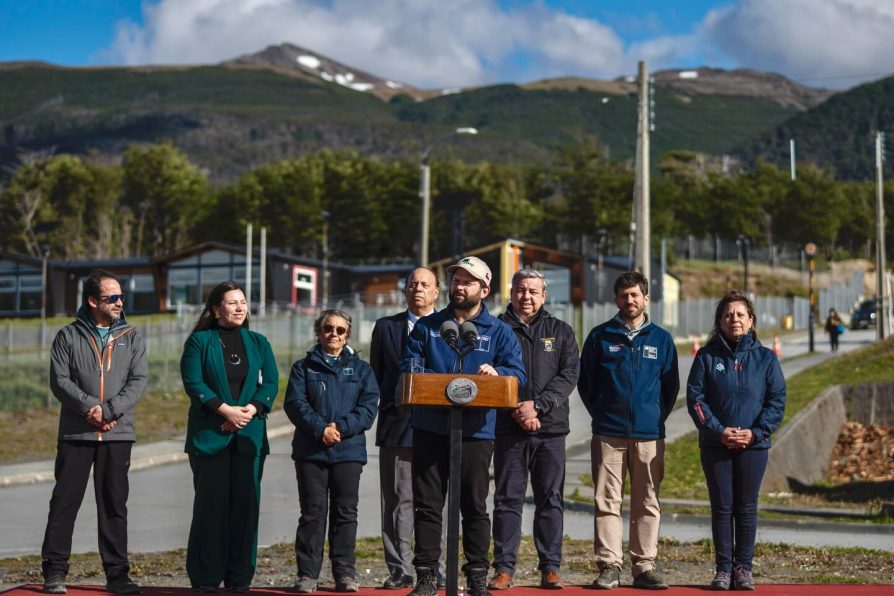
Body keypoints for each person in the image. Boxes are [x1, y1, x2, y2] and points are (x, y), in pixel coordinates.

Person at [403, 256, 526, 596]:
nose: (459, 286)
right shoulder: (429, 327)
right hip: (430, 428)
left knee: (474, 505)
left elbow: (518, 375)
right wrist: (434, 380)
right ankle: (427, 575)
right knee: (427, 505)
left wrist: (498, 375)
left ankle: (475, 575)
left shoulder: (499, 332)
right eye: (456, 280)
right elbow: (410, 368)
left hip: (476, 432)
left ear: (484, 289)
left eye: (467, 281)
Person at [41, 269, 148, 595]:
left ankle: (118, 576)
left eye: (120, 296)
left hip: (118, 435)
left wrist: (110, 410)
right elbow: (60, 382)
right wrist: (92, 409)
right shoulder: (67, 336)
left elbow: (138, 380)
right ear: (92, 301)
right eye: (111, 297)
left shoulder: (132, 336)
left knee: (115, 506)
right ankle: (54, 573)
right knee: (64, 503)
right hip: (77, 434)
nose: (119, 302)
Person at [577, 271, 679, 591]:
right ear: (616, 299)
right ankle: (609, 565)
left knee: (646, 501)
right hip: (609, 433)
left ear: (646, 298)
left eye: (635, 295)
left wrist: (653, 418)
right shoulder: (600, 336)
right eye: (623, 295)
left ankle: (644, 566)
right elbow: (586, 384)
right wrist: (604, 413)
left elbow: (670, 387)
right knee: (607, 500)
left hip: (649, 434)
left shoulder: (662, 339)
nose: (629, 300)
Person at [180, 281, 280, 592]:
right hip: (210, 437)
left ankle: (239, 577)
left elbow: (272, 383)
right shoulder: (200, 342)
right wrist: (226, 411)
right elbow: (194, 382)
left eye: (243, 302)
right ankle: (207, 576)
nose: (239, 307)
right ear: (215, 309)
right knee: (211, 508)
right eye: (232, 302)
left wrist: (248, 410)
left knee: (245, 508)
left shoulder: (259, 342)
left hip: (249, 437)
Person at [687, 290, 786, 591]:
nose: (735, 319)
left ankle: (743, 569)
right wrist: (719, 431)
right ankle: (723, 569)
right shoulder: (706, 357)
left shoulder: (766, 358)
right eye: (728, 315)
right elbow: (695, 399)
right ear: (719, 321)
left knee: (746, 508)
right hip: (716, 445)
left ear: (751, 320)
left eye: (741, 314)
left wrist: (755, 432)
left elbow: (777, 401)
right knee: (722, 507)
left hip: (754, 446)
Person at [490, 268, 580, 590]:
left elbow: (568, 375)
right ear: (511, 292)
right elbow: (491, 374)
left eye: (533, 291)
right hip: (508, 428)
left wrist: (537, 406)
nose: (525, 297)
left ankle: (550, 567)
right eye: (520, 290)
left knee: (550, 499)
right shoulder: (496, 330)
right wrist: (517, 408)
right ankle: (503, 568)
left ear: (544, 295)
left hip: (551, 430)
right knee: (507, 499)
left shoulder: (561, 331)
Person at [285, 310, 379, 594]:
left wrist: (340, 427)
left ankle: (345, 574)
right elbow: (295, 404)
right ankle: (307, 575)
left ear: (347, 334)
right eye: (328, 328)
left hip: (348, 453)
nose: (333, 335)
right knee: (312, 514)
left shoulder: (362, 370)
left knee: (345, 513)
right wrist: (320, 429)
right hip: (311, 453)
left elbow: (368, 407)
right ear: (319, 331)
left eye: (340, 330)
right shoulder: (303, 368)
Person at [370, 268, 440, 590]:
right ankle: (400, 568)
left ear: (437, 292)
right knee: (397, 501)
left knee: (433, 503)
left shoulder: (450, 327)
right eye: (412, 284)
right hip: (398, 427)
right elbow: (378, 377)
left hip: (440, 428)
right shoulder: (386, 328)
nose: (418, 289)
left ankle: (433, 567)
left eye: (425, 284)